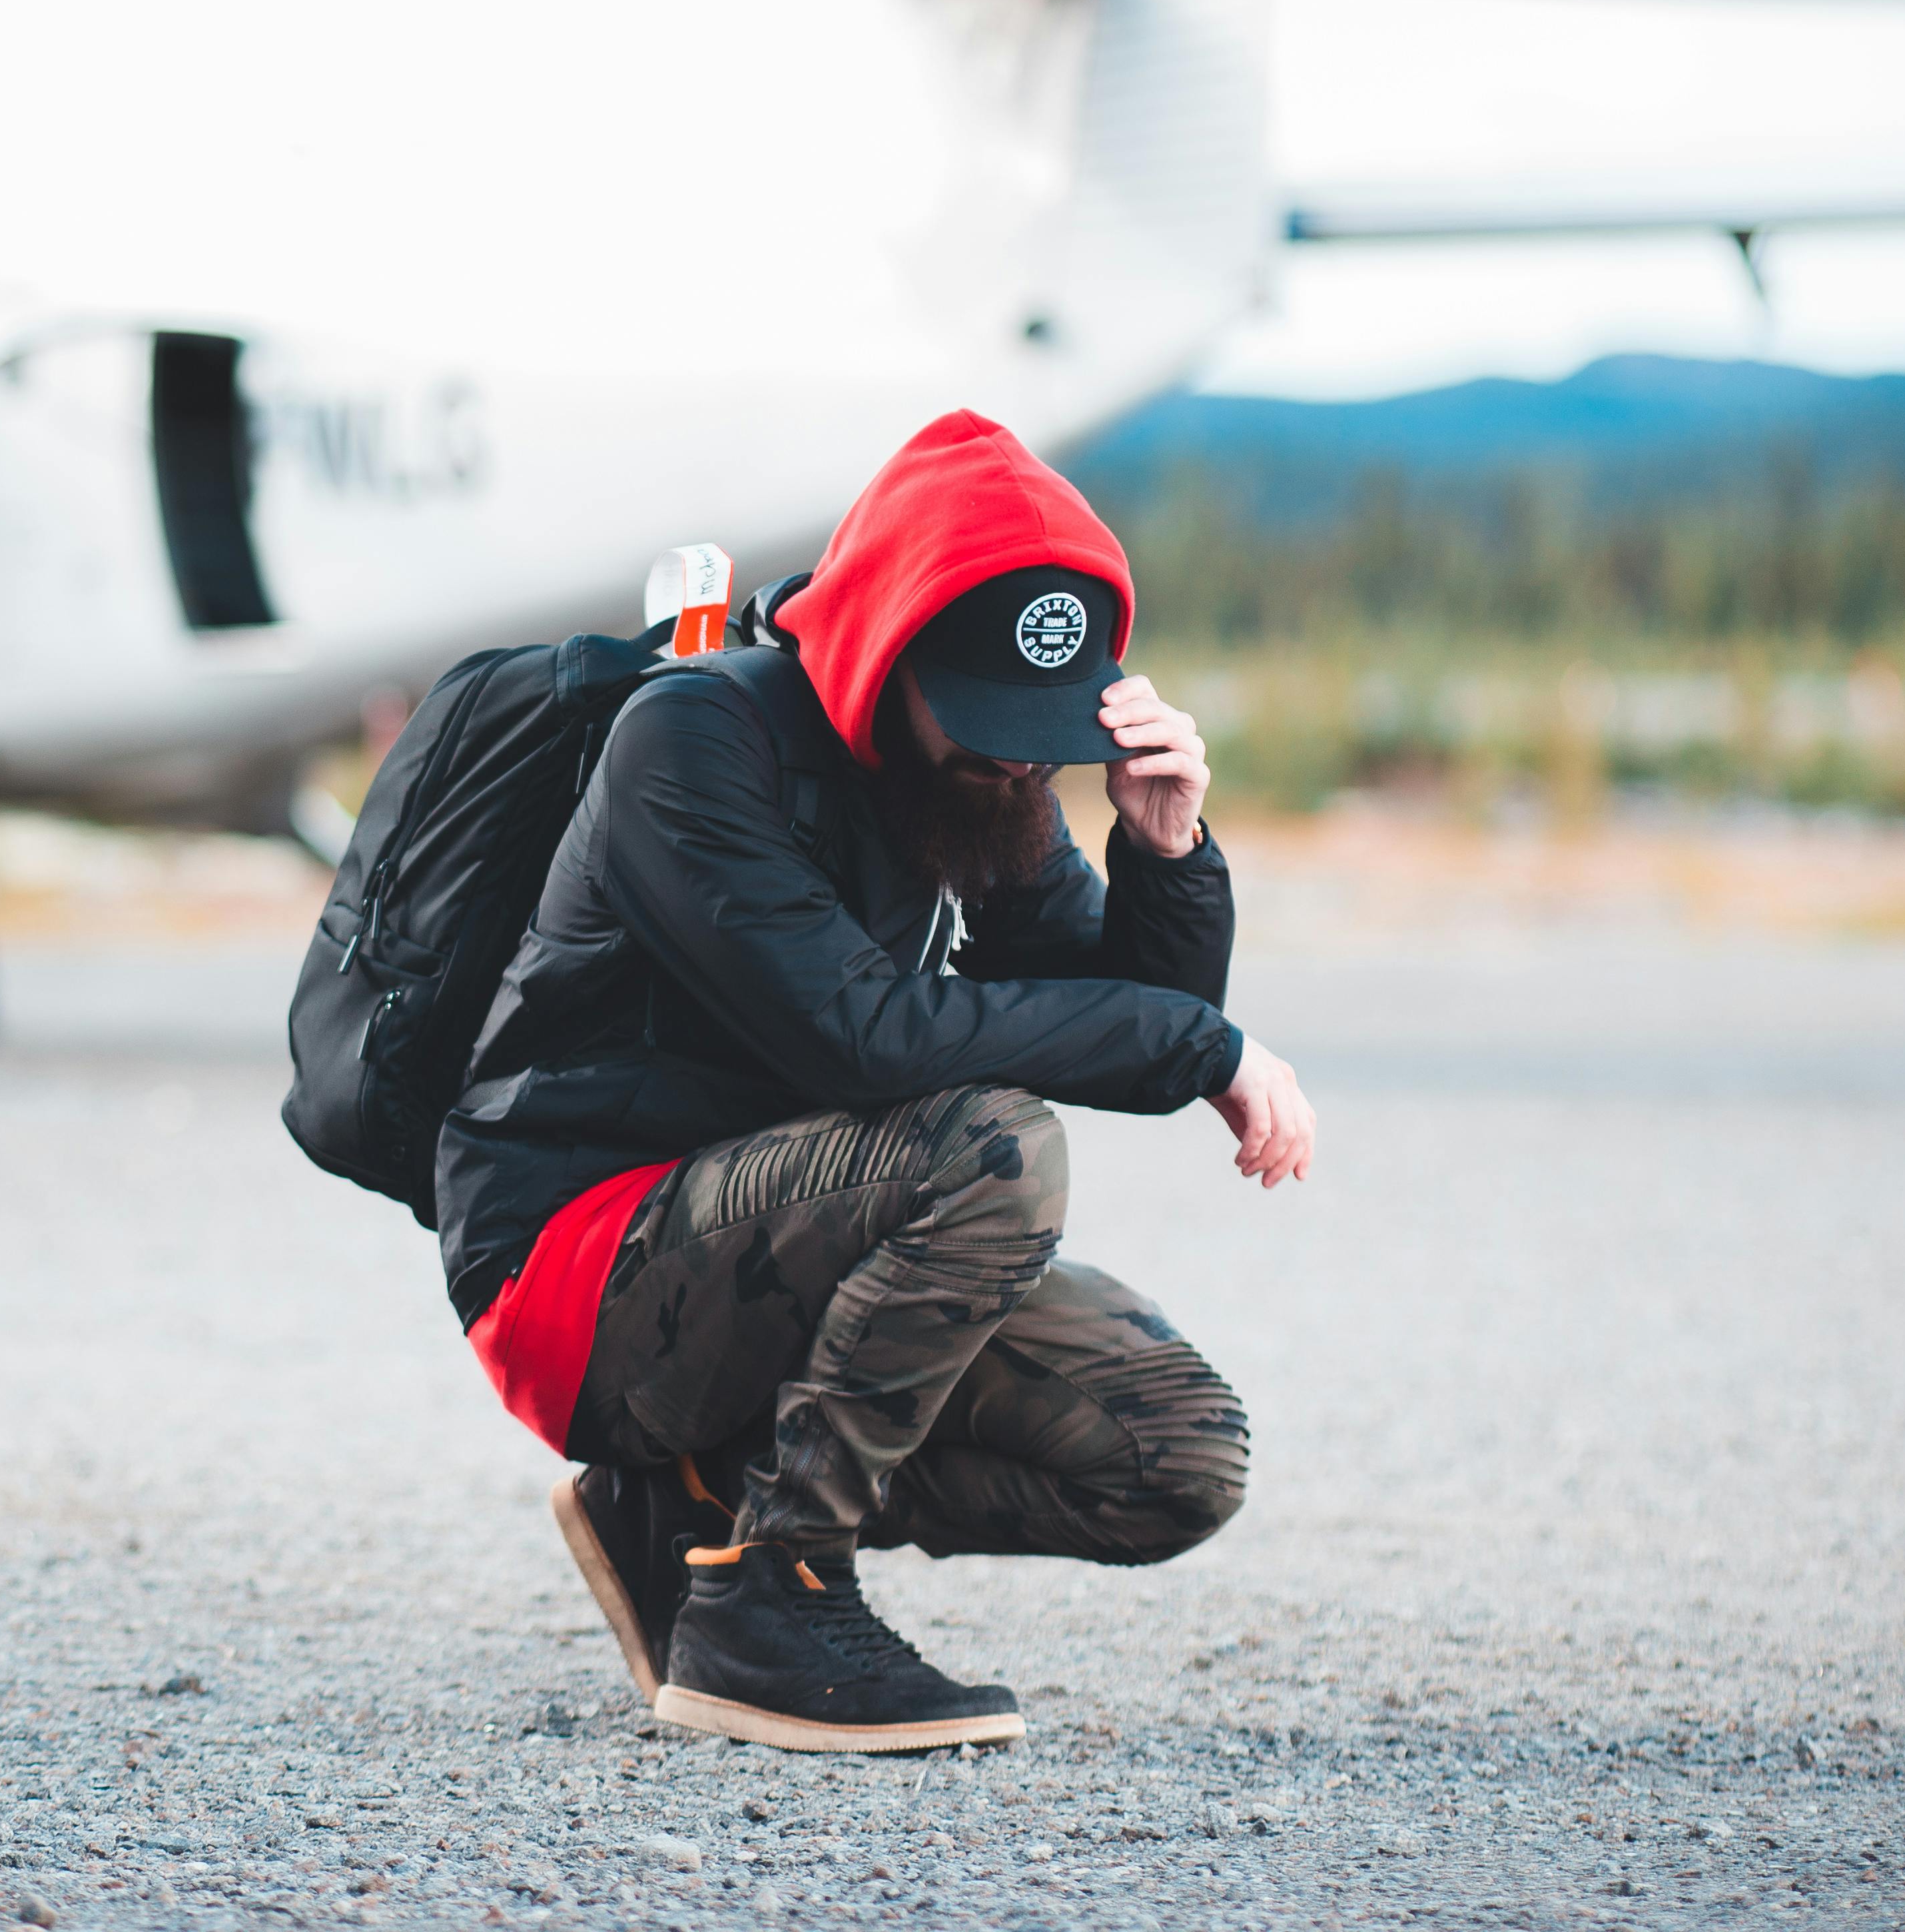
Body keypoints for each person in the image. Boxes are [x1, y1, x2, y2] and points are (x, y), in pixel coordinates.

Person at [439, 409, 1319, 1753]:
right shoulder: (694, 743)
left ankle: (690, 1501)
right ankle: (772, 1602)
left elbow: (1130, 1019)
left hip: (782, 1239)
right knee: (993, 1149)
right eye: (985, 720)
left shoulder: (978, 781)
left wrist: (1168, 854)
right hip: (576, 1265)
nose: (1019, 759)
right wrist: (1208, 1054)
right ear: (881, 644)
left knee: (1174, 1456)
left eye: (1043, 728)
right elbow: (862, 1041)